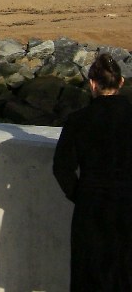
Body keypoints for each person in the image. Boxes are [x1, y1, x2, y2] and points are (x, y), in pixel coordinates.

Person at [53, 53, 132, 290]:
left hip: (92, 207)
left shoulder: (78, 120)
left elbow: (62, 169)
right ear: (121, 83)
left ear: (92, 84)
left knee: (89, 275)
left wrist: (82, 195)